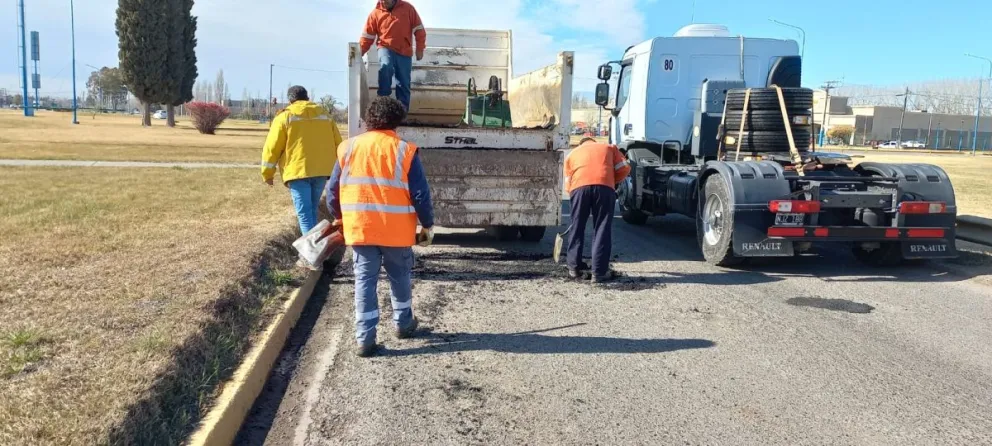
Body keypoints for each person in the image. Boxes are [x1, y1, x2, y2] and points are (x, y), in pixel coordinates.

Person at [326, 96, 434, 357]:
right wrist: (427, 225)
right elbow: (420, 194)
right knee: (400, 277)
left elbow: (332, 192)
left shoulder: (348, 148)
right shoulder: (404, 150)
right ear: (397, 121)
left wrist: (339, 217)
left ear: (368, 119)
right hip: (396, 232)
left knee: (364, 281)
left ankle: (365, 338)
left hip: (361, 229)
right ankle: (403, 324)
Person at [261, 86, 344, 238]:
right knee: (311, 210)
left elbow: (272, 148)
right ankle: (316, 245)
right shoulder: (324, 115)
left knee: (304, 214)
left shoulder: (284, 117)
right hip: (321, 171)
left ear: (290, 100)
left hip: (297, 171)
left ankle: (311, 250)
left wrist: (267, 174)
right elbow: (338, 143)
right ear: (307, 98)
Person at [563, 138, 631, 283]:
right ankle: (598, 273)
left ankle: (573, 268)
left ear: (581, 144)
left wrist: (576, 197)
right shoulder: (609, 147)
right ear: (593, 141)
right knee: (601, 228)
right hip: (604, 187)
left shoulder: (572, 154)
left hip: (579, 188)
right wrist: (612, 182)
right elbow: (625, 168)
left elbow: (568, 185)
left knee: (577, 227)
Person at [360, 0, 427, 111]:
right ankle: (383, 105)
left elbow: (419, 30)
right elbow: (367, 37)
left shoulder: (408, 8)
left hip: (404, 51)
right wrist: (359, 54)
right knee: (386, 67)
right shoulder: (375, 13)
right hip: (385, 47)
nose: (385, 2)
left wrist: (420, 48)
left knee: (403, 83)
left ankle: (402, 113)